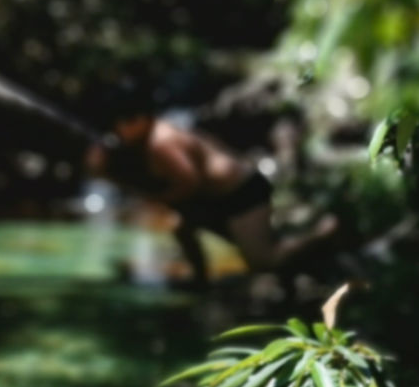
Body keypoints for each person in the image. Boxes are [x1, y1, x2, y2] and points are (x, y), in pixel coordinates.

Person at [86, 96, 338, 286]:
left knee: (263, 262)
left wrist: (160, 199)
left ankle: (326, 232)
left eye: (127, 122)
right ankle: (200, 281)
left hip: (242, 193)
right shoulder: (152, 136)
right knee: (181, 226)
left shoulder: (161, 141)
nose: (121, 128)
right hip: (219, 198)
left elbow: (189, 182)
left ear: (142, 119)